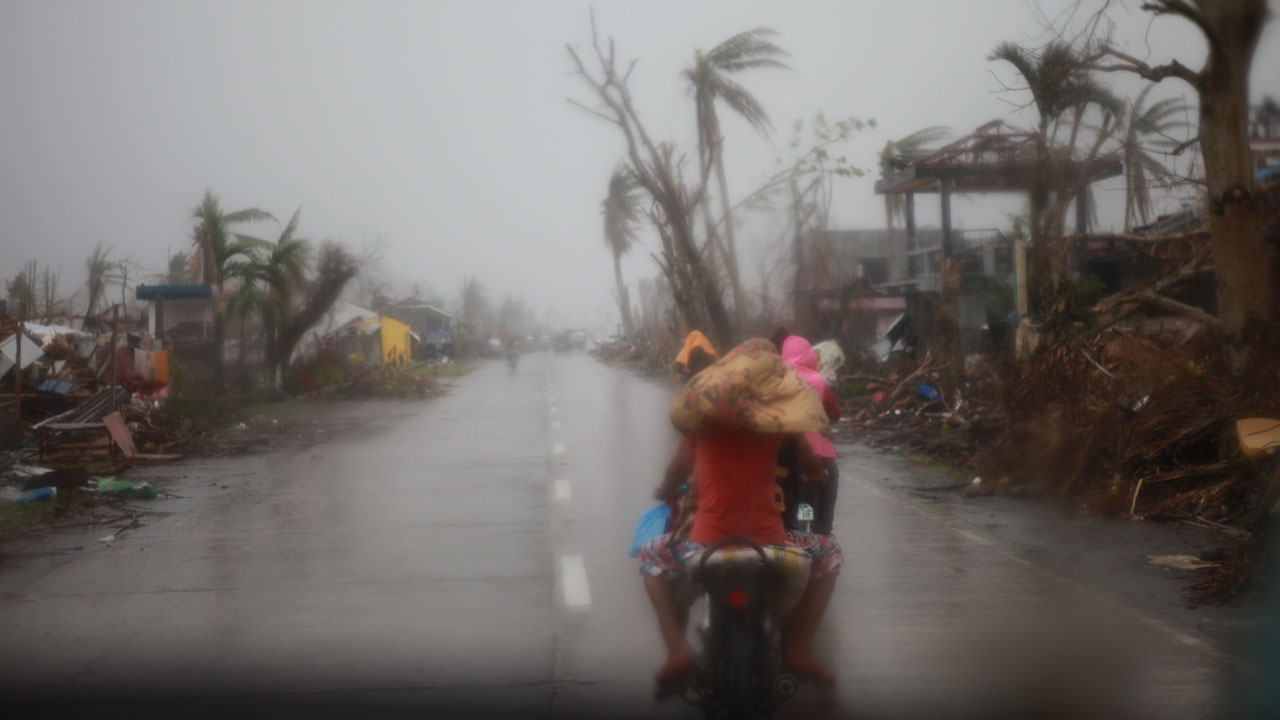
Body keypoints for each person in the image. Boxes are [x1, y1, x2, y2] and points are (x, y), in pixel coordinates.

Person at [638, 339, 843, 689]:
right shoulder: (779, 424)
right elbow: (811, 467)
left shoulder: (701, 426)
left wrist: (664, 490)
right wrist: (815, 476)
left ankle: (677, 651)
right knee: (831, 553)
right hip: (770, 544)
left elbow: (675, 474)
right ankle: (800, 649)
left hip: (703, 543)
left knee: (648, 557)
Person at [780, 335, 842, 537]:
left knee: (789, 491)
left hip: (785, 452)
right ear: (807, 355)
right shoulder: (817, 380)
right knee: (831, 477)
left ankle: (791, 528)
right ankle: (823, 529)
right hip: (819, 453)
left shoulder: (777, 377)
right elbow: (834, 413)